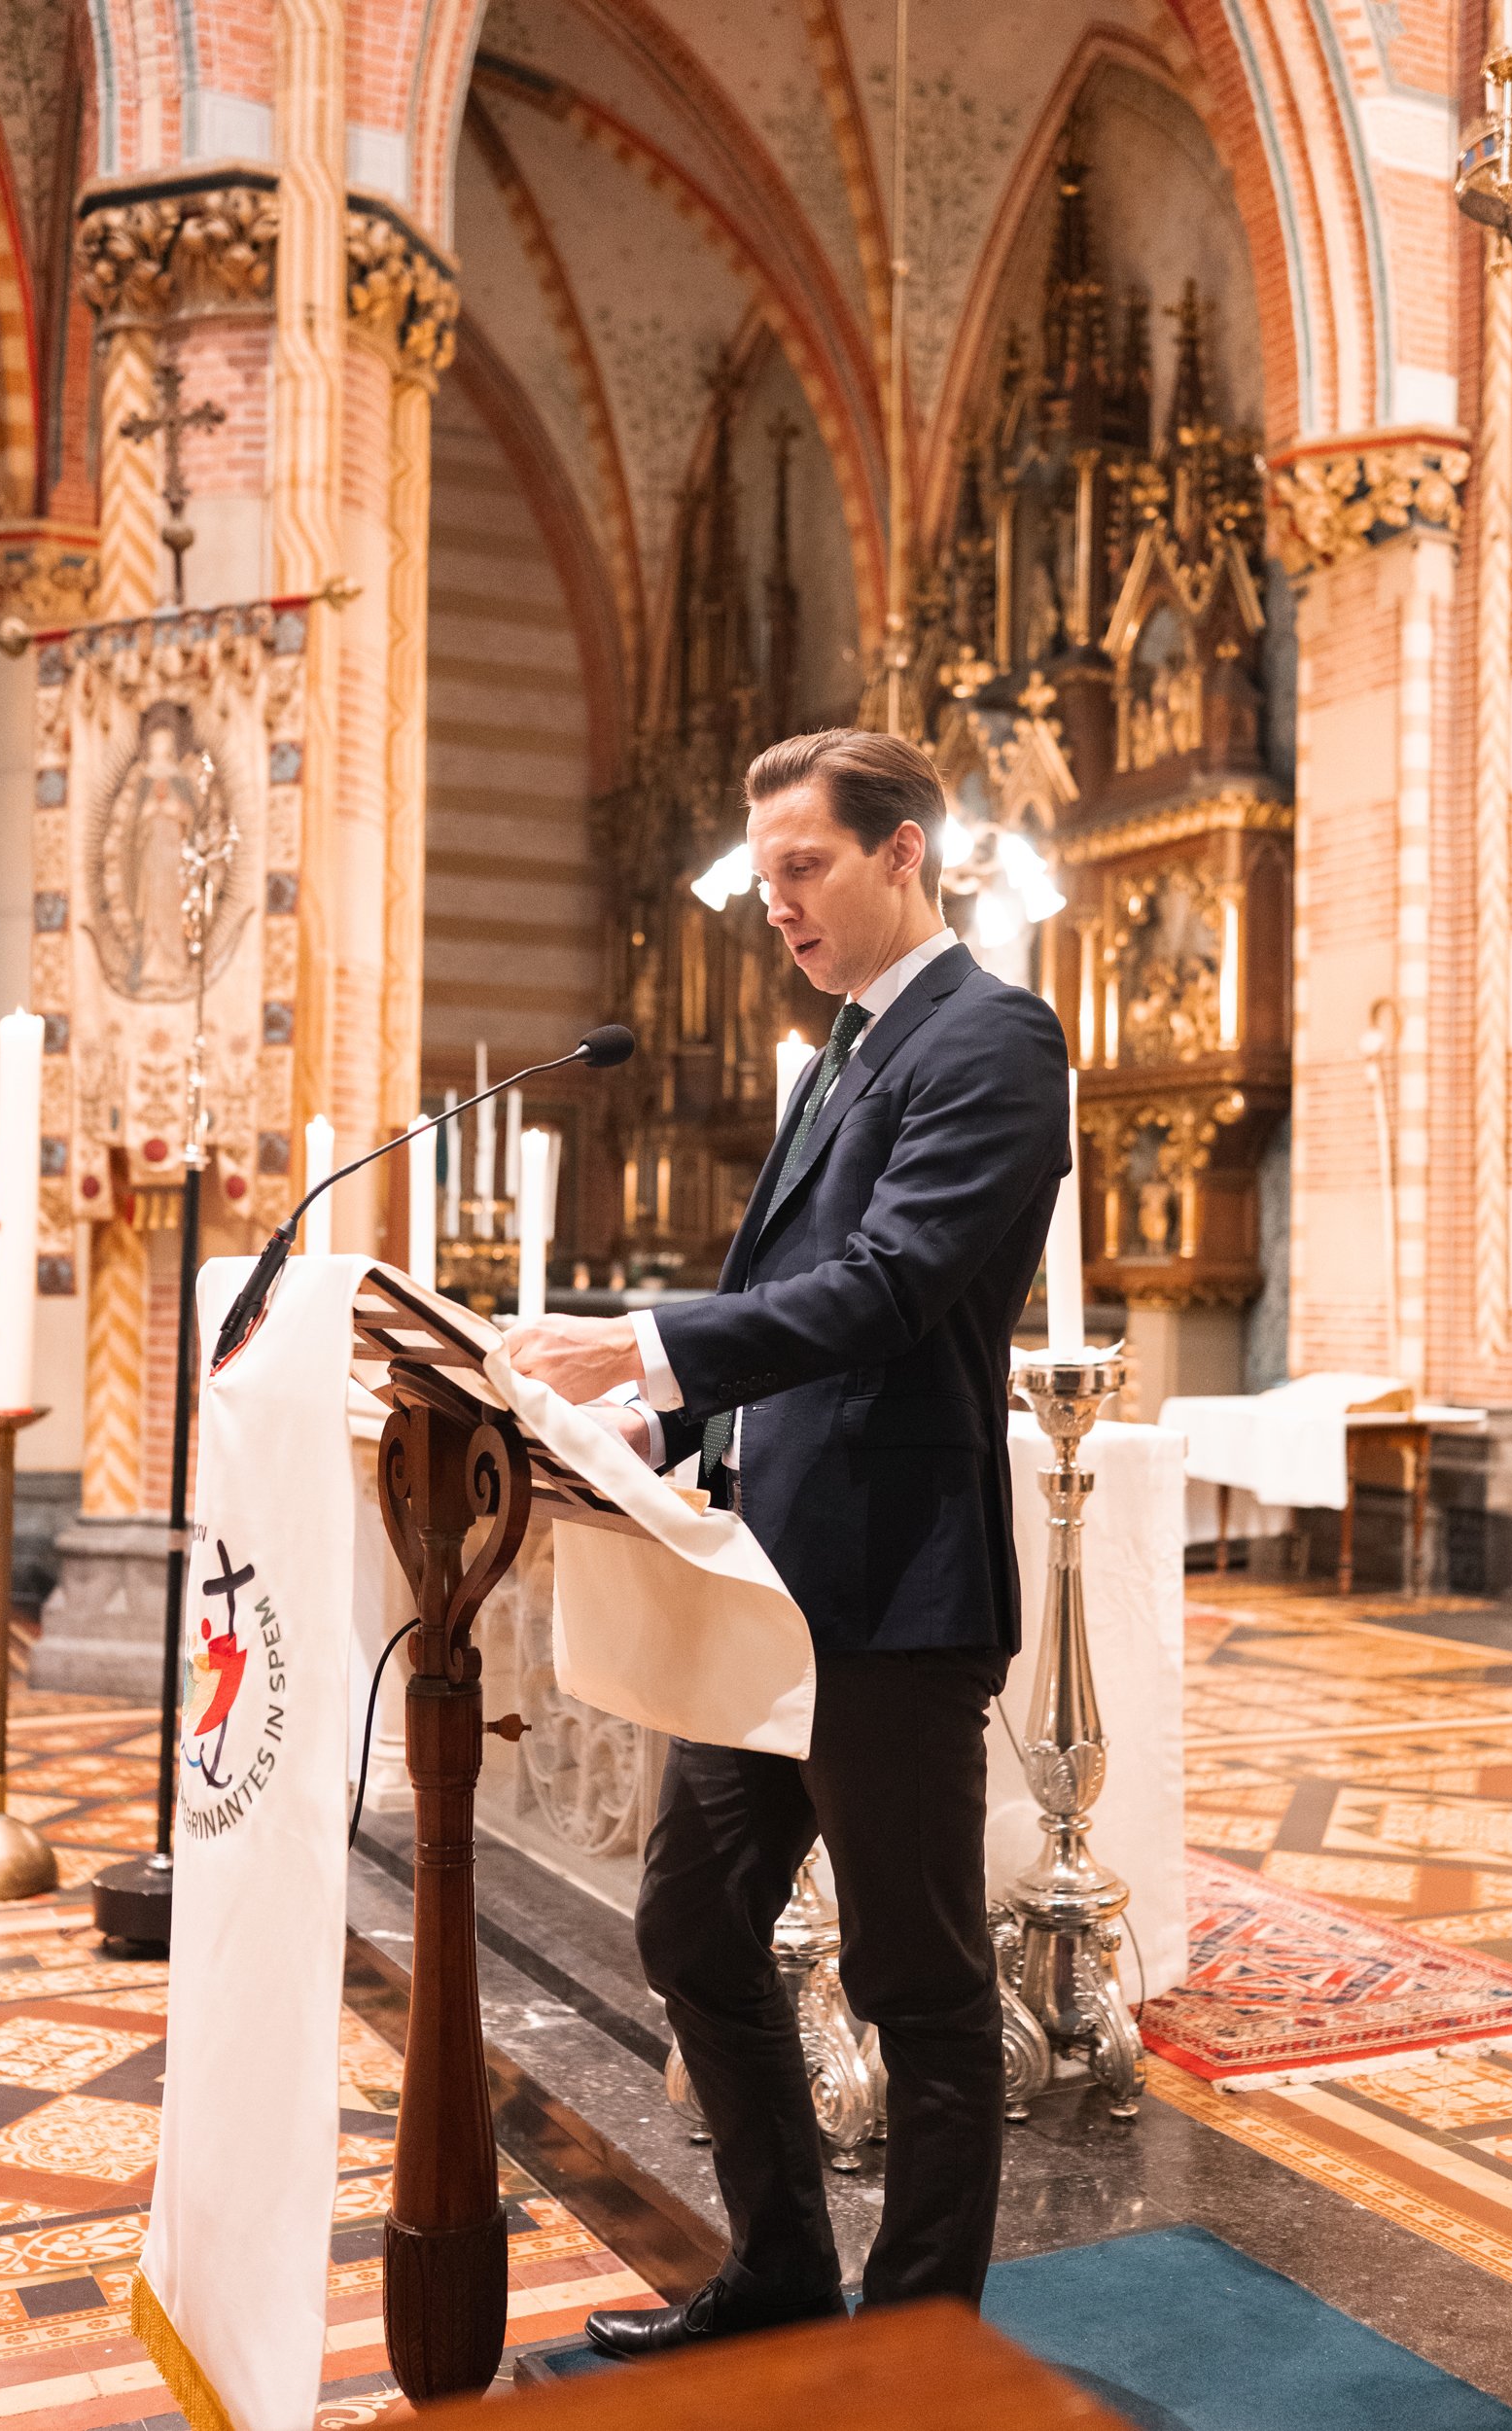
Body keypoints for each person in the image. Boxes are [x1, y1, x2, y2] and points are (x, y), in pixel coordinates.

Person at [506, 727, 1071, 2352]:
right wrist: (642, 1435)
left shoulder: (993, 1040)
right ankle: (777, 2273)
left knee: (922, 1987)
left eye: (805, 869)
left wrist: (635, 1349)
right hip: (773, 1586)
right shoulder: (843, 1048)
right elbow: (785, 1322)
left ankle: (917, 2343)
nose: (780, 907)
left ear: (906, 852)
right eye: (765, 883)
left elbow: (889, 1291)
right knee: (692, 1927)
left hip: (895, 1591)